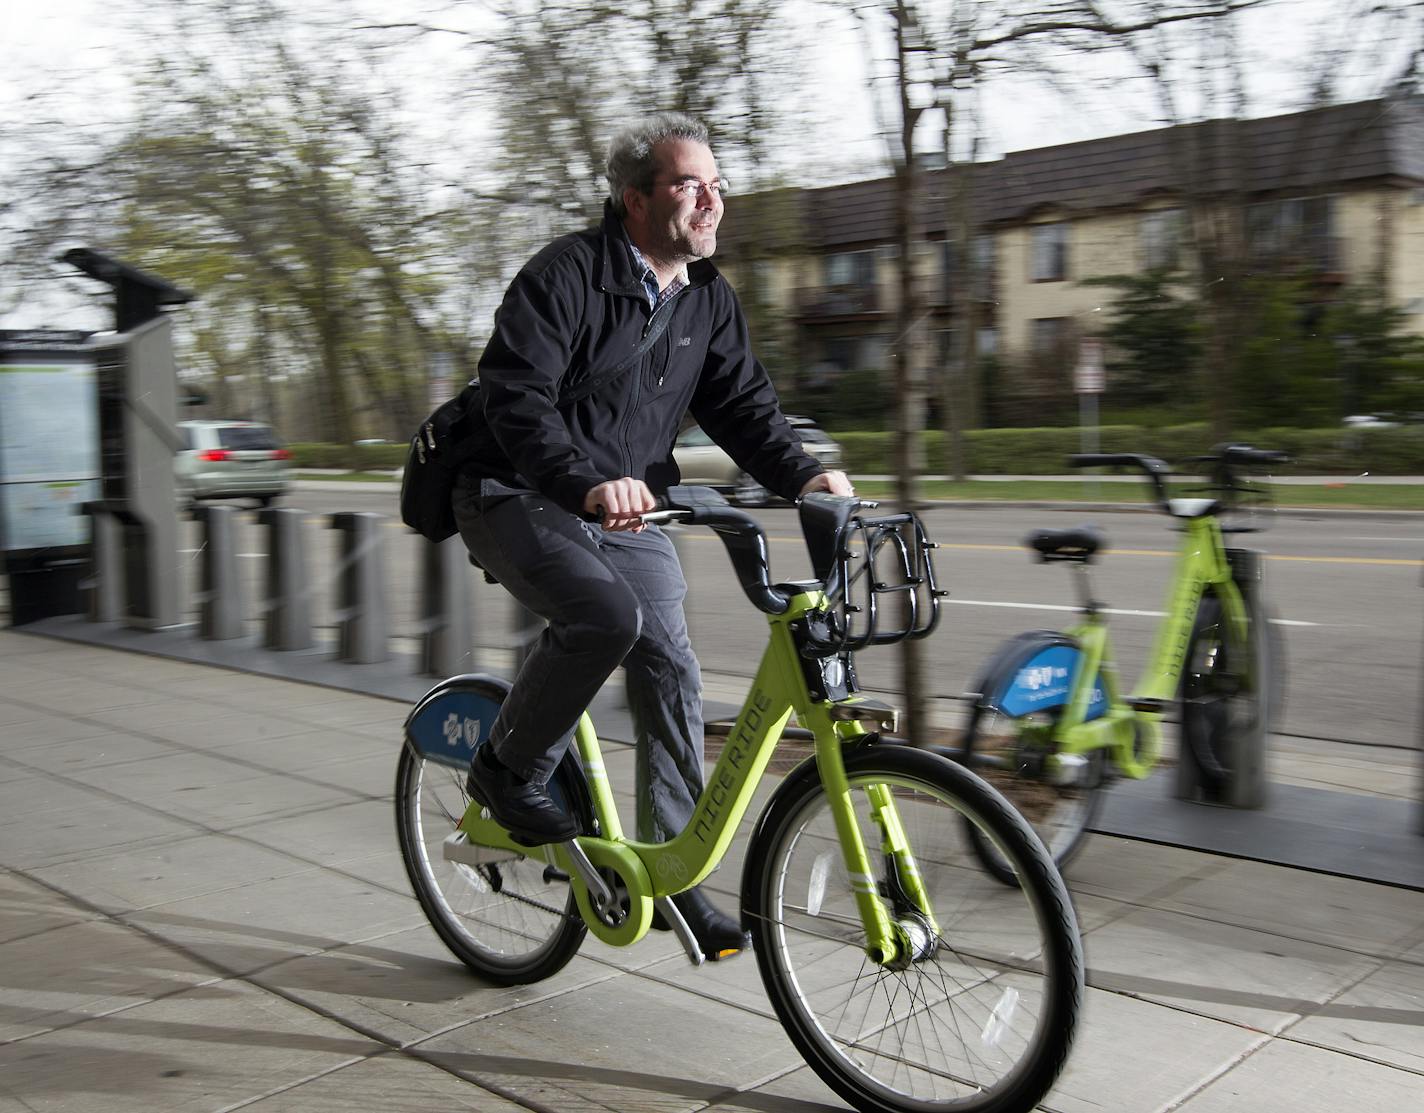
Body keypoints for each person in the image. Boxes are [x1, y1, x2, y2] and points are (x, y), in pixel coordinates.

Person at [453, 112, 853, 960]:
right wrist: (584, 481)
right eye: (688, 184)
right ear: (635, 200)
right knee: (604, 619)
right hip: (515, 489)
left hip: (625, 506)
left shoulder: (705, 297)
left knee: (671, 664)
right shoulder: (565, 275)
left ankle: (673, 879)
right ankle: (506, 770)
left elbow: (744, 408)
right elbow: (515, 397)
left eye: (716, 185)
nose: (712, 200)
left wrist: (806, 475)